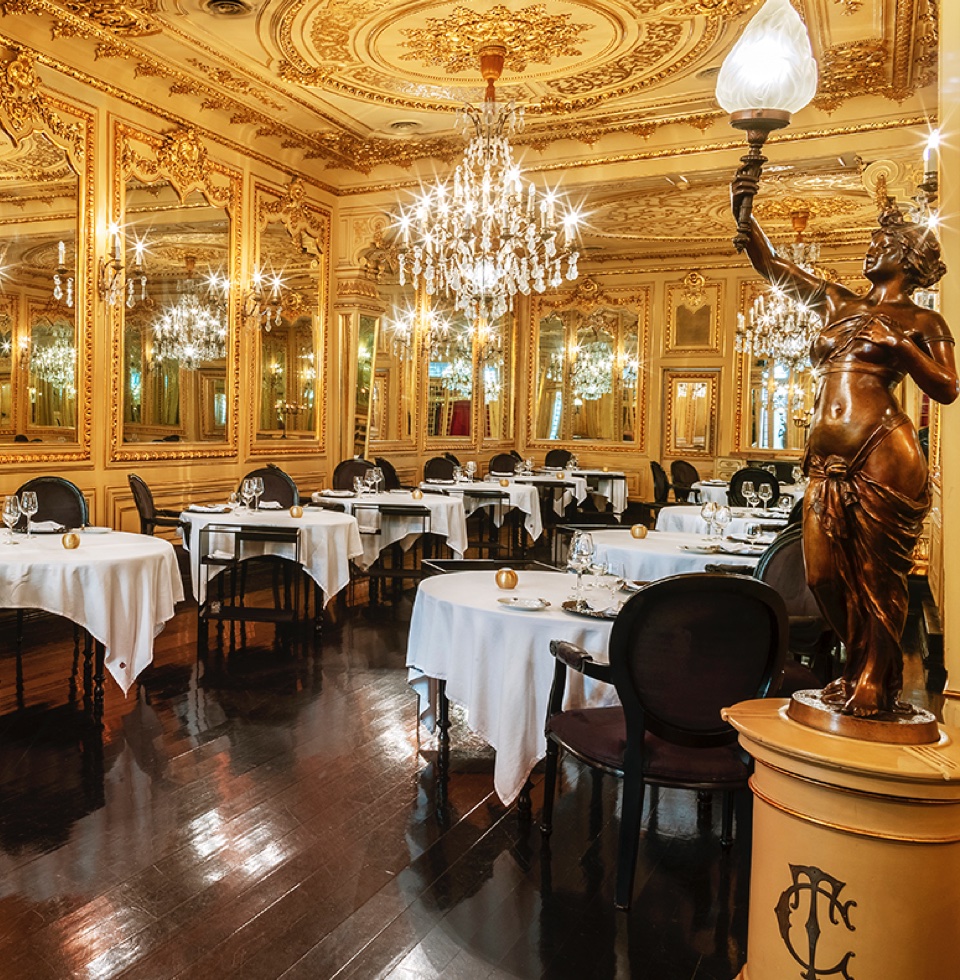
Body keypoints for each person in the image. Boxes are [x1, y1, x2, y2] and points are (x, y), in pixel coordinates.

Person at [732, 178, 958, 717]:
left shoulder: (924, 321)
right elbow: (774, 267)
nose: (870, 248)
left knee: (880, 580)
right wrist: (745, 210)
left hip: (883, 450)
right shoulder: (837, 301)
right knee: (823, 575)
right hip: (826, 460)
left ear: (906, 258)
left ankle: (875, 683)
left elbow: (948, 387)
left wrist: (901, 345)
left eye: (883, 245)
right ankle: (857, 667)